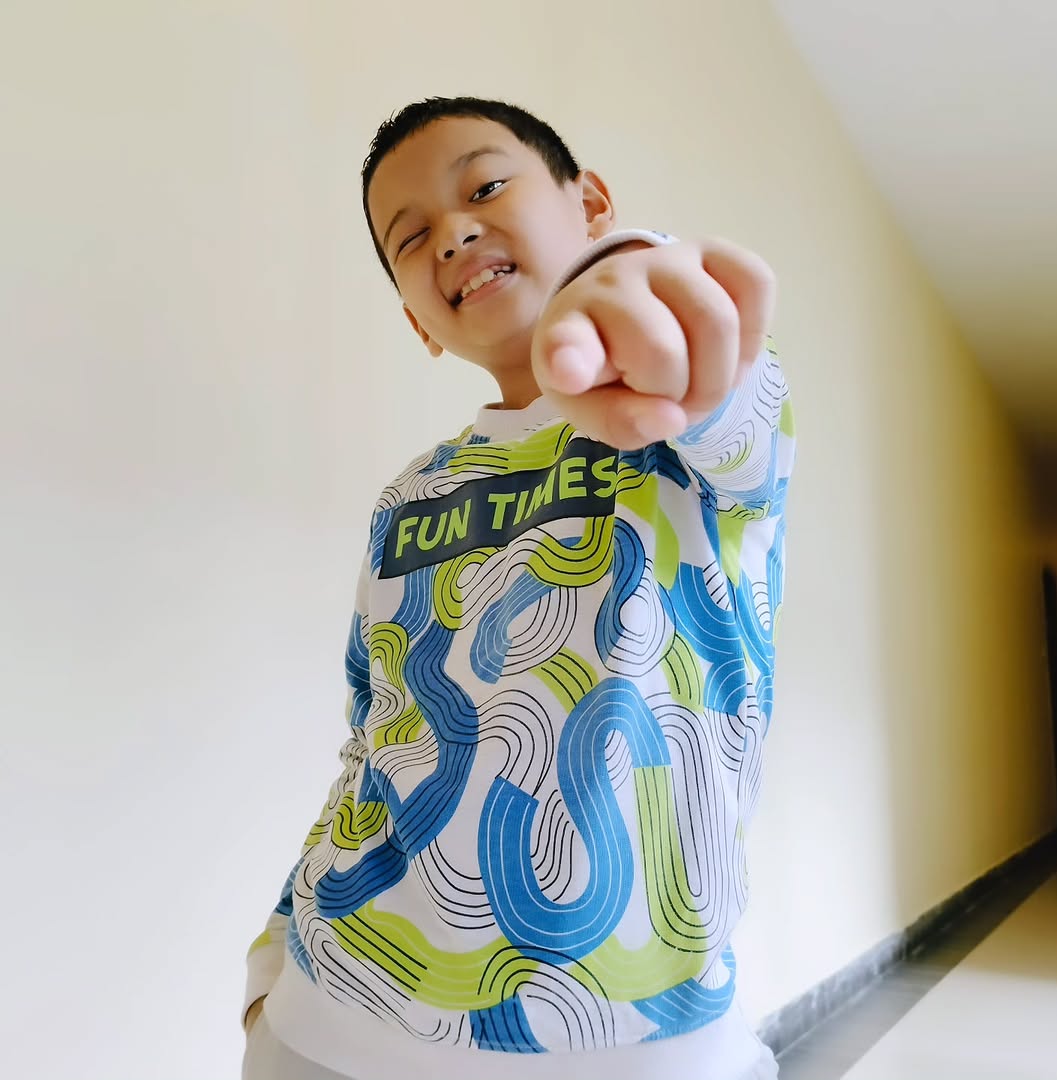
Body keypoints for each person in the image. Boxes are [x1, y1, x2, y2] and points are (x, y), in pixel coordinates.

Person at [241, 96, 795, 1080]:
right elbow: (373, 735)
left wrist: (635, 274)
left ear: (591, 205)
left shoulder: (686, 424)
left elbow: (724, 383)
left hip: (639, 1045)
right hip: (328, 1018)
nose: (453, 233)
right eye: (410, 238)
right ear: (417, 322)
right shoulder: (411, 493)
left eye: (487, 187)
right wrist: (272, 961)